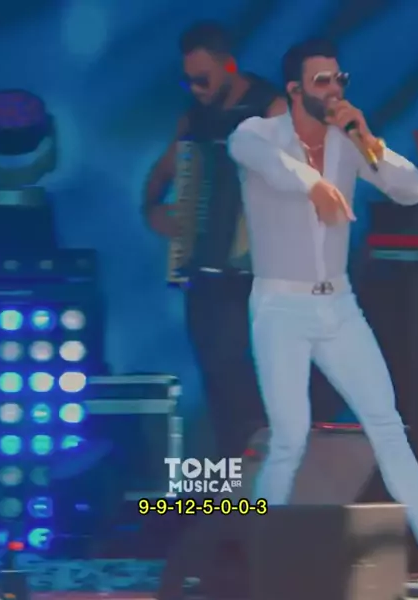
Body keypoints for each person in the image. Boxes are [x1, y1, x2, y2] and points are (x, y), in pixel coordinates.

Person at [228, 37, 418, 593]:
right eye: (322, 81)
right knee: (289, 436)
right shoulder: (257, 134)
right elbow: (269, 165)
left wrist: (367, 139)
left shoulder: (349, 143)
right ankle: (260, 552)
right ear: (294, 89)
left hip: (338, 304)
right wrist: (315, 183)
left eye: (339, 78)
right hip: (280, 305)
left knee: (386, 424)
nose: (334, 89)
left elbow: (412, 190)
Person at [142, 21, 287, 459]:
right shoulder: (195, 119)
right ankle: (232, 480)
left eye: (202, 79)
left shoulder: (270, 108)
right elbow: (161, 174)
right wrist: (153, 209)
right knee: (215, 375)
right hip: (204, 271)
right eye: (188, 80)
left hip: (259, 272)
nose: (196, 89)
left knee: (247, 378)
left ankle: (264, 478)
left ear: (228, 66)